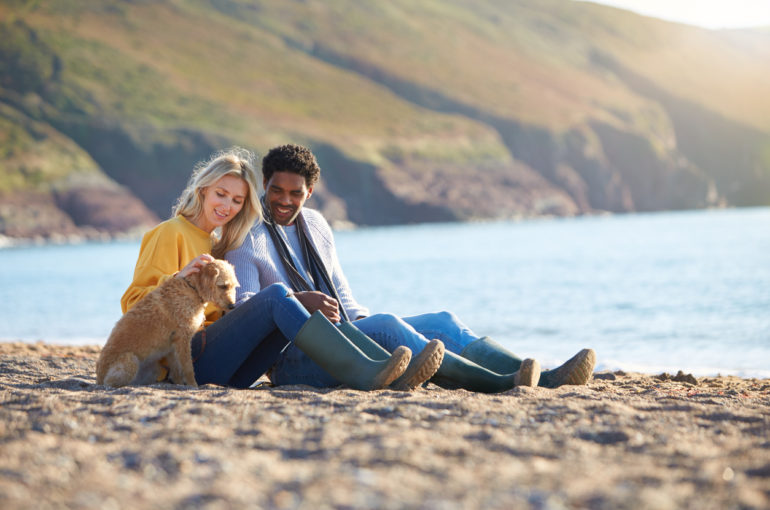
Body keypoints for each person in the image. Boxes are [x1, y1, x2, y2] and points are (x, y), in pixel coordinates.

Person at [227, 144, 595, 393]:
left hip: (344, 338)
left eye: (295, 193)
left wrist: (367, 332)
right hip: (294, 359)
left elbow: (346, 301)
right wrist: (300, 302)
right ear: (265, 184)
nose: (284, 201)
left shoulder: (317, 226)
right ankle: (502, 382)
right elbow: (243, 308)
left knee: (442, 321)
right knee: (388, 325)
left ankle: (538, 375)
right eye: (277, 191)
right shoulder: (248, 234)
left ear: (310, 192)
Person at [119, 147, 438, 391]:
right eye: (220, 194)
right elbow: (132, 304)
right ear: (203, 190)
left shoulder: (214, 242)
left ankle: (370, 365)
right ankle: (360, 367)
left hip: (232, 372)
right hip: (186, 361)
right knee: (275, 296)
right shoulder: (170, 232)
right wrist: (179, 279)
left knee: (276, 314)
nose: (226, 206)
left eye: (237, 200)